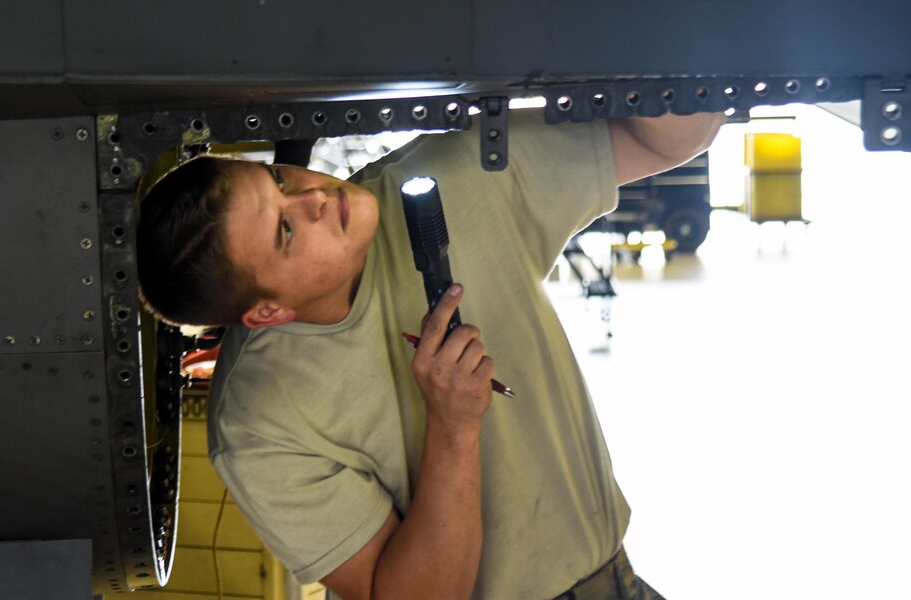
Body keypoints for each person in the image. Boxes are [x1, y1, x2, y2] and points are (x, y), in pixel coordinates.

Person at [136, 108, 723, 600]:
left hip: (616, 581)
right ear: (267, 313)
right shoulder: (257, 425)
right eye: (285, 232)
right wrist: (452, 427)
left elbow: (666, 135)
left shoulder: (452, 173)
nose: (314, 196)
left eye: (280, 182)